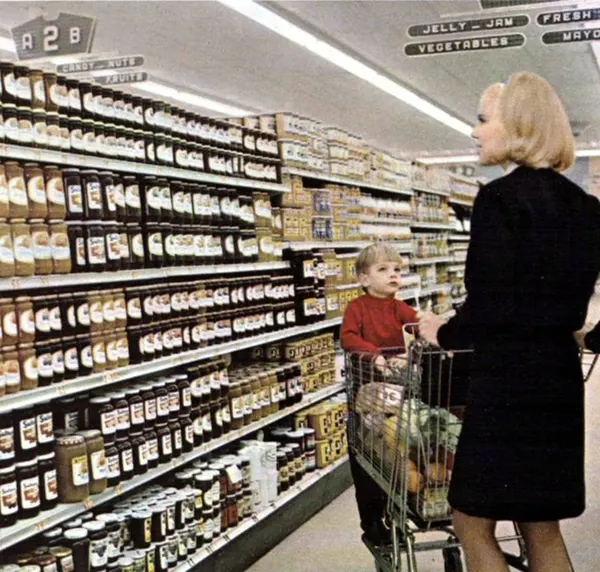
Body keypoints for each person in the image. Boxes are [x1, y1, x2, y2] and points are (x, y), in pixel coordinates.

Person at [418, 71, 600, 572]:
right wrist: (585, 330)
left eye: (483, 119)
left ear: (517, 124)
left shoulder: (499, 199)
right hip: (557, 382)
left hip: (507, 384)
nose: (475, 131)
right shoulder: (588, 208)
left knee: (470, 519)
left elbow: (491, 302)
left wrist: (442, 331)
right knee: (542, 525)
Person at [341, 242, 418, 545]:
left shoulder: (400, 307)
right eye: (383, 269)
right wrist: (375, 356)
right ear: (363, 279)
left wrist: (432, 338)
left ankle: (404, 498)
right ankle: (373, 519)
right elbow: (348, 337)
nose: (393, 275)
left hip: (398, 389)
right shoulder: (356, 308)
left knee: (397, 446)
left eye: (397, 269)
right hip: (367, 391)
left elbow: (417, 325)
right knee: (367, 453)